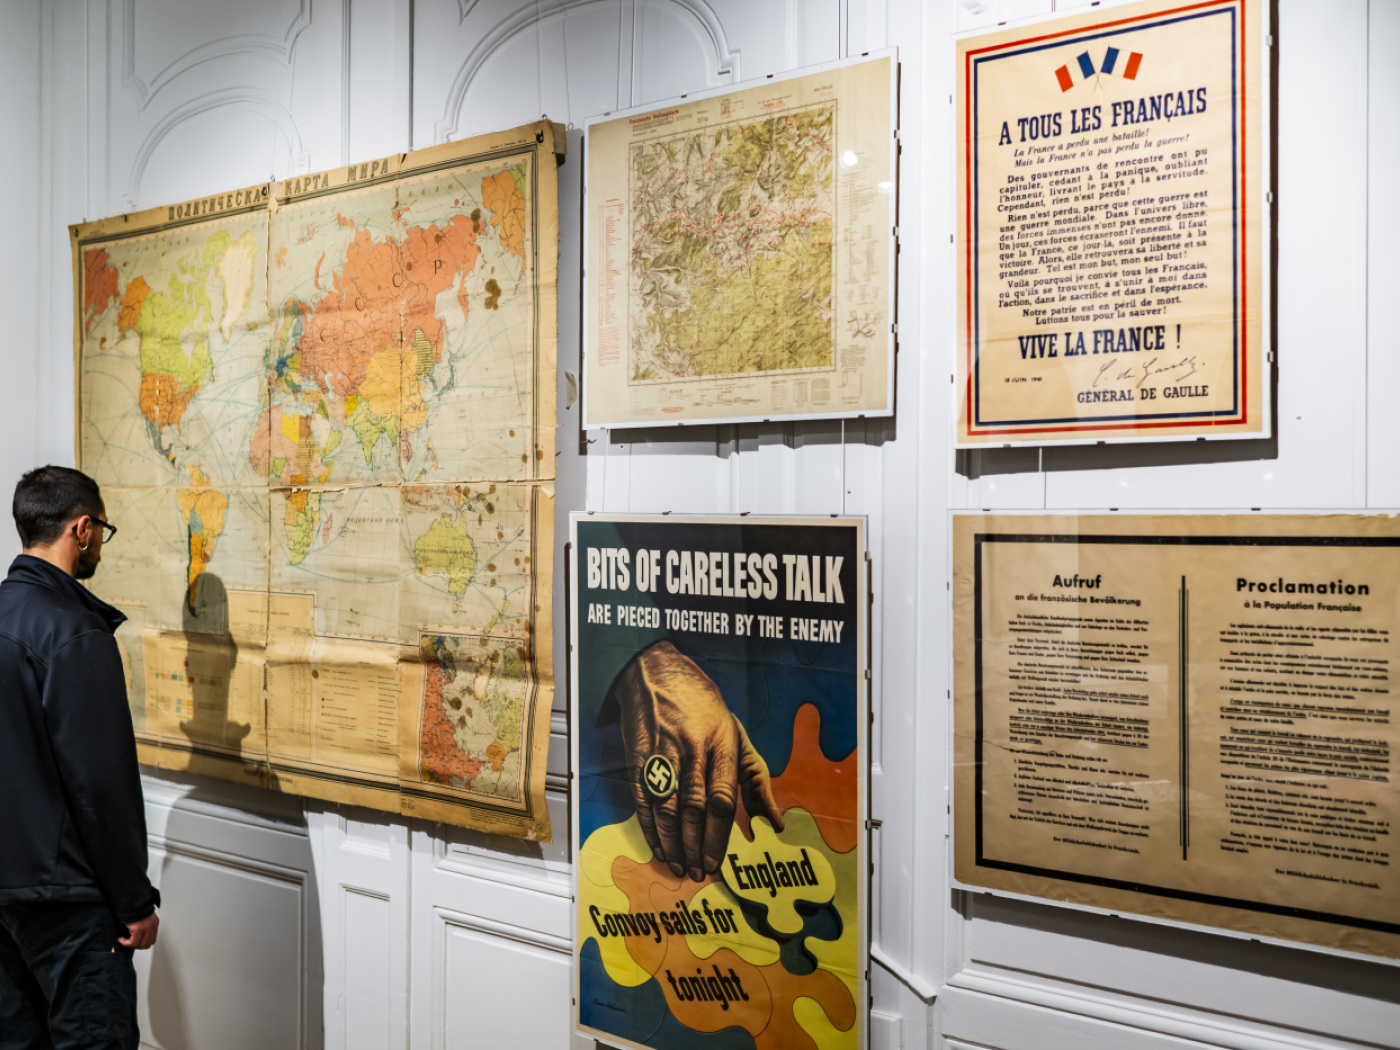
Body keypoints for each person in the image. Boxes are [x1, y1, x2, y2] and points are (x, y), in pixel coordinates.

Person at [0, 465, 160, 1050]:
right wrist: (134, 902)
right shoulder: (74, 632)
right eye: (102, 531)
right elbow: (101, 785)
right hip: (69, 900)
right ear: (83, 528)